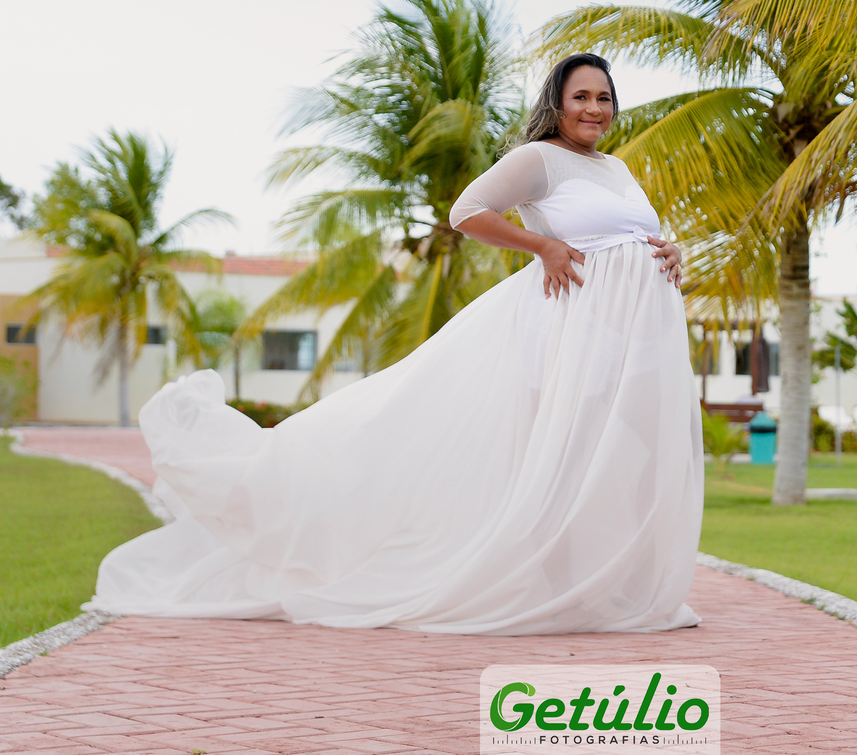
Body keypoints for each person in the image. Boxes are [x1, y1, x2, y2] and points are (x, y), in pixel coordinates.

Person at [86, 53, 704, 635]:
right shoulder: (539, 159)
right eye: (581, 97)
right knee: (561, 460)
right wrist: (540, 245)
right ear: (557, 103)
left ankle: (611, 584)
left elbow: (627, 235)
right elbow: (467, 210)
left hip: (626, 340)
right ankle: (554, 586)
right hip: (568, 336)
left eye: (604, 98)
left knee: (634, 454)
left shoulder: (616, 168)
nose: (594, 109)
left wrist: (667, 250)